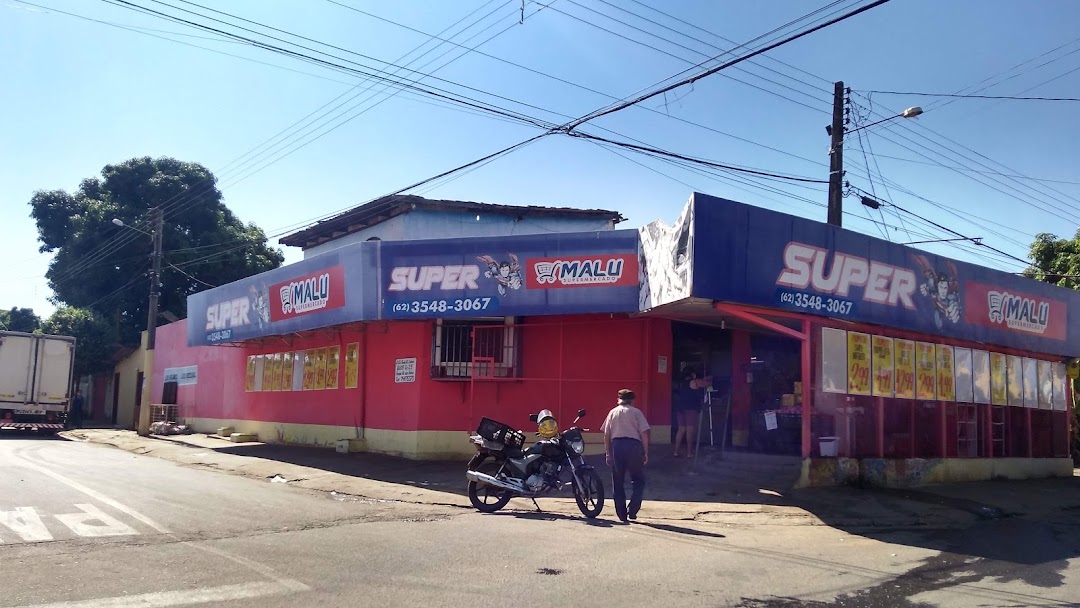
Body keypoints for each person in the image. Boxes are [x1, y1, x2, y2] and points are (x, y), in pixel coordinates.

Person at [602, 389, 650, 524]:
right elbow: (644, 434)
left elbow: (606, 434)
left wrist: (608, 453)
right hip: (634, 446)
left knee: (618, 482)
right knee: (638, 480)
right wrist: (645, 452)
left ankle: (622, 514)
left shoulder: (613, 412)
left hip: (617, 446)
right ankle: (633, 509)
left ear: (619, 399)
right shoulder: (636, 412)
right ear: (632, 400)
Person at [674, 369, 711, 458]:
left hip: (680, 408)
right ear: (693, 375)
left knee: (681, 429)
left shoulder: (681, 383)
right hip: (691, 408)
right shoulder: (694, 381)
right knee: (689, 430)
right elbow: (707, 384)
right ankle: (689, 453)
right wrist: (709, 378)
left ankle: (676, 451)